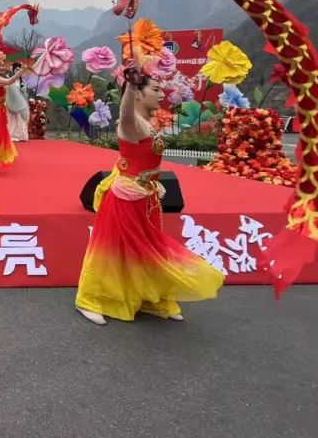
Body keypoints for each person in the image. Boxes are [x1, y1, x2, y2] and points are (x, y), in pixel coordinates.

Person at [75, 66, 224, 325]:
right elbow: (125, 112)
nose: (161, 94)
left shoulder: (148, 124)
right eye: (154, 89)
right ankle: (90, 299)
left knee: (146, 249)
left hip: (147, 197)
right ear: (138, 95)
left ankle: (148, 297)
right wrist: (130, 87)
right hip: (125, 198)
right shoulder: (130, 124)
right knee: (110, 250)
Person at [6, 61, 30, 142]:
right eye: (16, 69)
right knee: (11, 120)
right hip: (11, 102)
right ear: (13, 70)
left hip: (21, 103)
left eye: (20, 70)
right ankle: (11, 135)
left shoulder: (22, 82)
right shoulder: (9, 80)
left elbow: (25, 94)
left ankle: (21, 136)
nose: (18, 71)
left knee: (21, 120)